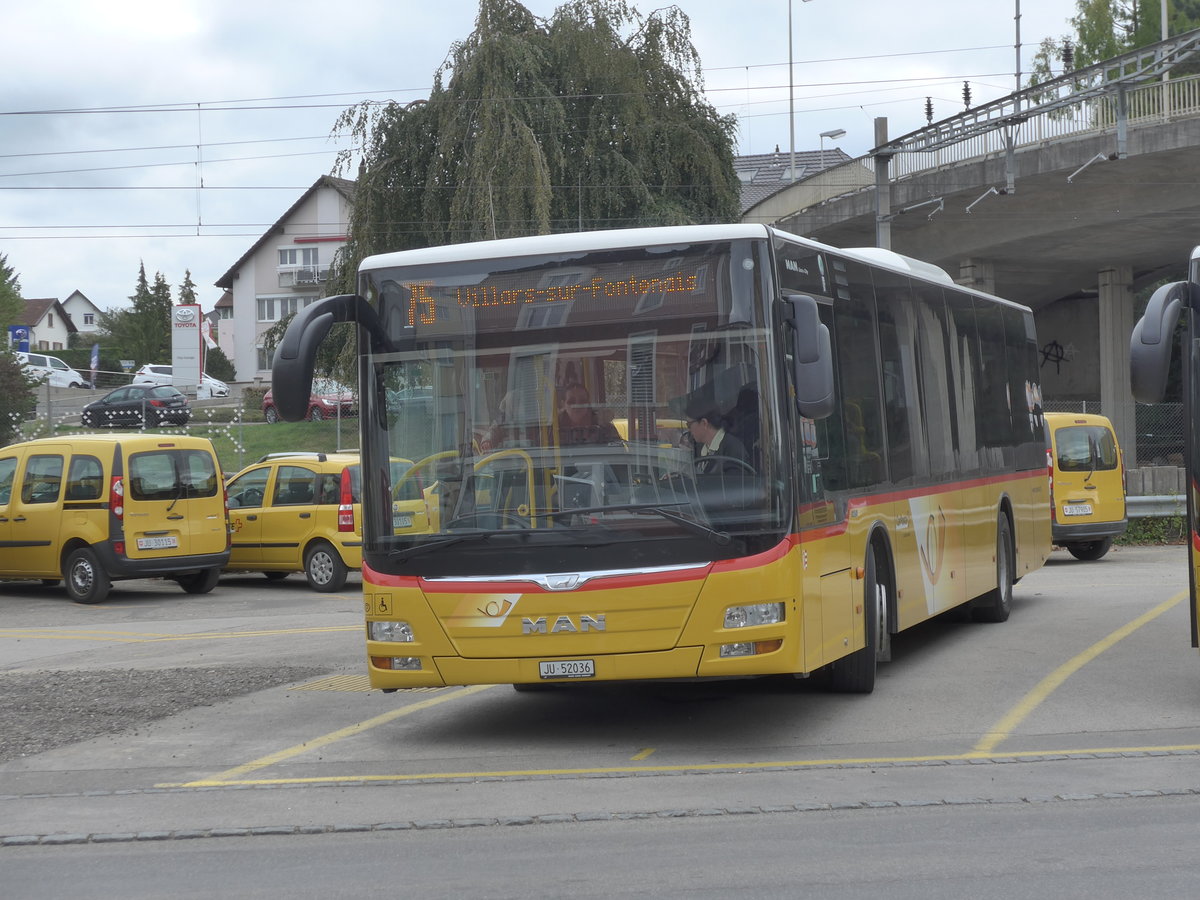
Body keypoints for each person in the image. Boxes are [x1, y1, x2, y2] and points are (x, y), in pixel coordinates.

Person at [686, 401, 752, 475]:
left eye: (689, 425)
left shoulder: (733, 449)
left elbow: (735, 484)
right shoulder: (701, 447)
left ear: (704, 423)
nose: (688, 429)